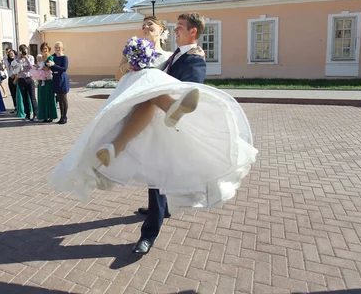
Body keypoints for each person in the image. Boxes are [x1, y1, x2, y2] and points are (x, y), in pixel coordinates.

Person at [48, 13, 258, 256]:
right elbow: (121, 74)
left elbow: (190, 87)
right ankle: (158, 204)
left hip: (166, 124)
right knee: (152, 172)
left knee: (158, 173)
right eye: (144, 25)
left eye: (153, 25)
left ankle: (148, 234)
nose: (147, 27)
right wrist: (130, 65)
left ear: (162, 31)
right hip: (143, 117)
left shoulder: (183, 56)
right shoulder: (156, 54)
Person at [47, 41, 69, 124]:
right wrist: (50, 65)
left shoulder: (64, 57)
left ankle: (64, 117)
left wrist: (54, 65)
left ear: (62, 48)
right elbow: (48, 64)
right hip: (56, 78)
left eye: (59, 47)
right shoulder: (53, 57)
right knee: (59, 98)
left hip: (62, 78)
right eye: (56, 47)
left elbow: (64, 69)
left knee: (64, 98)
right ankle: (61, 117)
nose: (57, 49)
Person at [35, 43, 57, 123]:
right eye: (43, 49)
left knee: (49, 97)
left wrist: (45, 67)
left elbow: (49, 68)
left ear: (48, 49)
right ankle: (44, 116)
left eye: (46, 48)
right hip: (41, 80)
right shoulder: (41, 58)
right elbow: (40, 66)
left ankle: (51, 116)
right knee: (42, 98)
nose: (45, 50)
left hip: (48, 80)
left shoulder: (51, 57)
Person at [16, 44, 38, 121]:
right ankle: (27, 114)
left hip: (29, 78)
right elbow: (16, 68)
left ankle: (36, 114)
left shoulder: (30, 57)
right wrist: (19, 58)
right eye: (22, 50)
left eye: (24, 50)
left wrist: (26, 59)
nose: (23, 52)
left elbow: (32, 67)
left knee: (32, 97)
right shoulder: (18, 58)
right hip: (21, 79)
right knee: (24, 98)